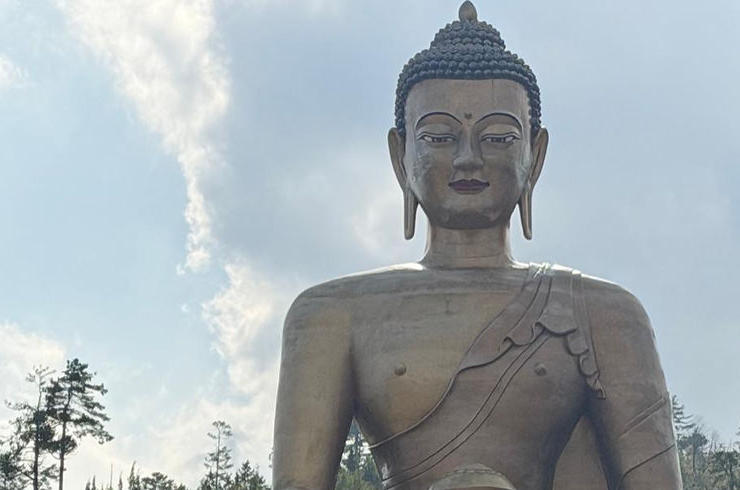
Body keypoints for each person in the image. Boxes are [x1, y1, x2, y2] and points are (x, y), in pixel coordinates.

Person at [272, 3, 681, 489]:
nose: (467, 158)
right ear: (400, 158)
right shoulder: (329, 313)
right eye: (440, 137)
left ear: (537, 154)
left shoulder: (606, 314)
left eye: (498, 137)